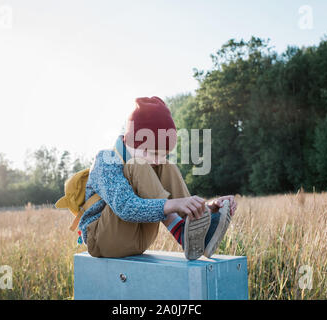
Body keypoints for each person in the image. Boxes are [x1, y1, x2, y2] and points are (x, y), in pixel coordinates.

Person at [78, 96, 237, 260]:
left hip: (139, 239)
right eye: (151, 152)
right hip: (102, 240)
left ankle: (197, 217)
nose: (155, 159)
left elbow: (161, 175)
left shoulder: (156, 163)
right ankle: (181, 231)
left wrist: (207, 207)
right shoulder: (106, 159)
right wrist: (174, 204)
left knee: (167, 166)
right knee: (138, 164)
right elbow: (124, 207)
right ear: (130, 141)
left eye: (162, 154)